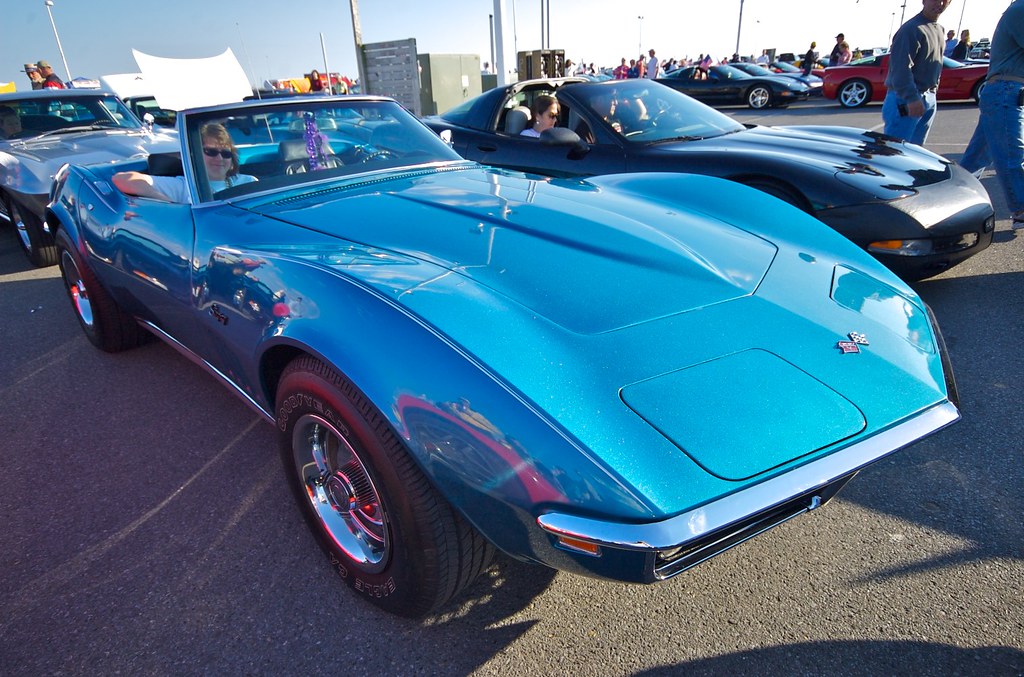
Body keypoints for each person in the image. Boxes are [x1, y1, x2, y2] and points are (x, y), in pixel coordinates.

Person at [959, 0, 1024, 229]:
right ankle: (1021, 209)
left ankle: (954, 203)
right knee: (1011, 155)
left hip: (1005, 93)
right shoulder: (1021, 9)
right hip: (1006, 92)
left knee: (975, 159)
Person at [113, 123, 257, 202]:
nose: (219, 159)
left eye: (226, 153)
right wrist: (168, 203)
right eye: (211, 152)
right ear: (195, 156)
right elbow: (121, 179)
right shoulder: (184, 186)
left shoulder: (249, 182)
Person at [881, 0, 950, 146]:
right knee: (894, 154)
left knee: (915, 156)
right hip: (906, 99)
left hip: (928, 98)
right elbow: (900, 68)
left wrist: (933, 93)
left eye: (945, 0)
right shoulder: (911, 29)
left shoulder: (940, 30)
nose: (940, 3)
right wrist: (912, 98)